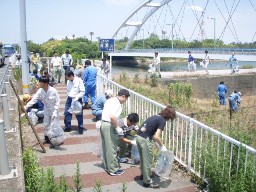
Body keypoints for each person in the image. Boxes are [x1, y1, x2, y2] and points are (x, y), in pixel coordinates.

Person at [136, 106, 176, 188]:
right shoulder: (162, 121)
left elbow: (154, 136)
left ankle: (144, 175)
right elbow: (157, 136)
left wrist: (158, 144)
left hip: (139, 136)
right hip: (145, 139)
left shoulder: (156, 116)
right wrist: (162, 146)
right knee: (148, 160)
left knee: (143, 158)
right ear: (170, 116)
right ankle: (147, 182)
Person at [100, 89, 130, 176]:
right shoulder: (117, 104)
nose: (125, 101)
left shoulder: (110, 100)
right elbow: (112, 116)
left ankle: (107, 166)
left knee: (106, 147)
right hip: (109, 125)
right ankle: (113, 169)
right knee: (111, 148)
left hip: (103, 124)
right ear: (123, 96)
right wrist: (117, 127)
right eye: (126, 99)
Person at [24, 76, 60, 147]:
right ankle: (47, 138)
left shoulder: (53, 90)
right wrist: (27, 106)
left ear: (46, 83)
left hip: (53, 109)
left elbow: (58, 101)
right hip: (46, 108)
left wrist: (55, 111)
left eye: (41, 82)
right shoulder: (40, 91)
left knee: (54, 125)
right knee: (46, 123)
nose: (39, 83)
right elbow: (34, 99)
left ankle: (54, 140)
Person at [64, 70, 85, 134]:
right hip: (69, 98)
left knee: (78, 114)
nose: (67, 78)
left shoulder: (79, 80)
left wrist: (77, 97)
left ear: (71, 76)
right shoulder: (68, 81)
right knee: (67, 113)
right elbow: (68, 90)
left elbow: (82, 91)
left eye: (67, 77)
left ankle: (80, 127)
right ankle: (67, 126)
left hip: (77, 99)